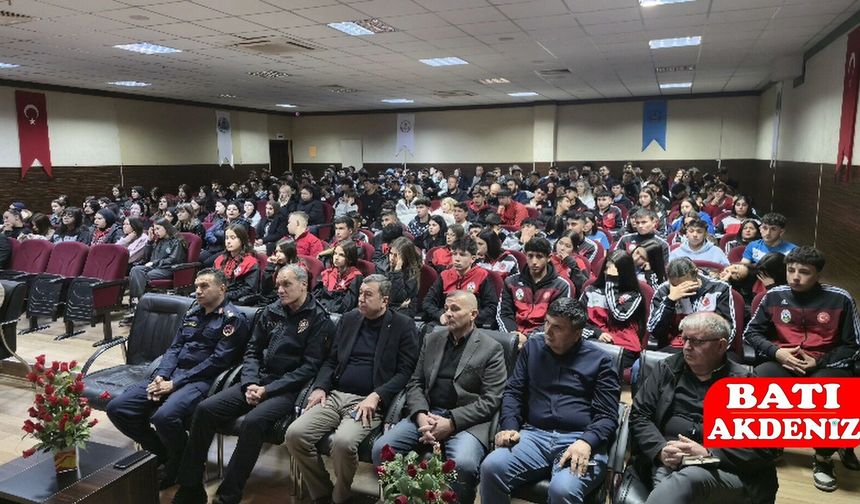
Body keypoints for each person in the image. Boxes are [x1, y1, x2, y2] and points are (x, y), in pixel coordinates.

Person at [171, 265, 334, 504]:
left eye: (286, 284)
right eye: (278, 285)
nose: (280, 290)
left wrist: (267, 390)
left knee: (253, 422)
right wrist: (250, 383)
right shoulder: (271, 311)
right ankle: (190, 486)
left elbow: (309, 367)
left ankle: (229, 494)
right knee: (205, 409)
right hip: (256, 380)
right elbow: (252, 351)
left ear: (303, 285)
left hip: (289, 389)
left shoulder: (318, 318)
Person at [107, 269, 251, 490]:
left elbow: (218, 361)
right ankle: (162, 453)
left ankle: (180, 464)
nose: (198, 291)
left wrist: (175, 383)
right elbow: (174, 348)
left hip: (203, 381)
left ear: (222, 288)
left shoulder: (233, 319)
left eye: (204, 286)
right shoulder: (193, 313)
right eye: (197, 286)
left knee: (165, 417)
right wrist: (161, 375)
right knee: (118, 408)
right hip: (172, 374)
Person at [284, 275, 418, 504]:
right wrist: (320, 387)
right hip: (335, 396)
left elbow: (405, 372)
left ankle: (341, 495)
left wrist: (377, 395)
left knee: (343, 443)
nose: (361, 299)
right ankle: (322, 492)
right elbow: (331, 360)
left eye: (368, 295)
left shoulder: (402, 326)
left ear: (385, 300)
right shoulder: (349, 319)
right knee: (294, 435)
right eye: (360, 293)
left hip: (367, 402)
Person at [629, 312, 779, 504]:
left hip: (724, 470)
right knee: (668, 482)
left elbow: (767, 446)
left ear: (721, 346)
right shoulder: (666, 369)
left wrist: (709, 453)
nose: (686, 347)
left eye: (697, 341)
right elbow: (640, 415)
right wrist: (660, 449)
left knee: (684, 480)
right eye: (684, 339)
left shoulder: (746, 384)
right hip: (669, 461)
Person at [480, 298, 620, 503]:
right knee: (491, 467)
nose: (548, 331)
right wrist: (510, 425)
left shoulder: (601, 361)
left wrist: (587, 441)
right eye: (547, 322)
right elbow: (514, 392)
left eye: (558, 328)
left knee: (563, 490)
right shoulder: (533, 348)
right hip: (534, 435)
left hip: (578, 439)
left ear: (577, 334)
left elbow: (607, 415)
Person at [373, 290, 507, 504]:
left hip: (466, 421)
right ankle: (401, 499)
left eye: (455, 309)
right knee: (382, 449)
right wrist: (420, 415)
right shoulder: (432, 338)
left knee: (463, 464)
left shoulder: (491, 348)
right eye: (446, 309)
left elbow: (491, 400)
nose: (448, 314)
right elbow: (415, 382)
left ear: (473, 314)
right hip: (427, 413)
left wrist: (451, 422)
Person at [743, 246, 860, 491]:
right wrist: (777, 352)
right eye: (791, 270)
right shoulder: (774, 295)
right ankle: (772, 442)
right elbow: (751, 333)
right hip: (784, 359)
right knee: (759, 380)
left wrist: (819, 362)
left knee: (832, 392)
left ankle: (823, 458)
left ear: (818, 274)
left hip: (824, 362)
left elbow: (853, 345)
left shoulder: (840, 298)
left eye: (804, 272)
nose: (795, 277)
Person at [647, 257, 734, 352]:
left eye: (686, 285)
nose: (682, 290)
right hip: (674, 348)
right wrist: (670, 301)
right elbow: (654, 331)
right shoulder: (663, 290)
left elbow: (727, 330)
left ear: (696, 274)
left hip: (707, 348)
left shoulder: (719, 288)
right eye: (676, 286)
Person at [498, 237, 573, 348]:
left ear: (549, 258)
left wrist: (528, 337)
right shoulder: (511, 282)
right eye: (530, 256)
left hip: (543, 341)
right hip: (512, 337)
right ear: (525, 255)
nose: (534, 262)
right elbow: (504, 314)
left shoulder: (561, 286)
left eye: (539, 256)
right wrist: (512, 336)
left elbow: (557, 320)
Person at [581, 250, 645, 370]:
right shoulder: (591, 291)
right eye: (607, 269)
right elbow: (577, 320)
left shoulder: (633, 295)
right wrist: (597, 333)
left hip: (623, 346)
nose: (607, 274)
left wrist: (611, 282)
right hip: (594, 341)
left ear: (625, 273)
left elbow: (619, 316)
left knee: (598, 364)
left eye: (614, 272)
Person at [422, 238, 497, 328]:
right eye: (454, 254)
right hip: (446, 322)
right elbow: (427, 302)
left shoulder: (482, 276)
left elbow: (491, 307)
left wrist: (467, 319)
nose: (457, 259)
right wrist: (440, 315)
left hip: (470, 325)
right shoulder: (444, 275)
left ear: (473, 258)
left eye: (462, 255)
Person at [127, 218, 188, 313]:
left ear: (166, 228)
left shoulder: (176, 241)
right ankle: (137, 303)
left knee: (140, 275)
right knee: (135, 270)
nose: (156, 232)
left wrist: (155, 263)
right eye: (154, 229)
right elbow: (147, 257)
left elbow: (173, 260)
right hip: (155, 268)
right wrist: (149, 241)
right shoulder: (159, 241)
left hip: (168, 269)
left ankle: (137, 304)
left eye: (158, 229)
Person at [313, 241, 363, 314]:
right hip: (321, 310)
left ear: (350, 258)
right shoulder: (329, 273)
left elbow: (347, 305)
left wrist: (325, 312)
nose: (336, 258)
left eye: (341, 255)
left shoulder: (355, 277)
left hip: (337, 314)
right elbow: (316, 295)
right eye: (335, 253)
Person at [213, 224, 260, 304]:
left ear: (242, 240)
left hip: (236, 300)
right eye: (226, 238)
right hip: (218, 295)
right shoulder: (220, 259)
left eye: (233, 238)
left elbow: (249, 289)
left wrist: (224, 295)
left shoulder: (250, 263)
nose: (228, 241)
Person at [386, 236, 422, 317]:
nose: (391, 258)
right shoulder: (386, 267)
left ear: (405, 257)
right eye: (391, 253)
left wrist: (397, 271)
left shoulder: (412, 273)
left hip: (405, 311)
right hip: (391, 307)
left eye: (396, 255)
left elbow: (397, 298)